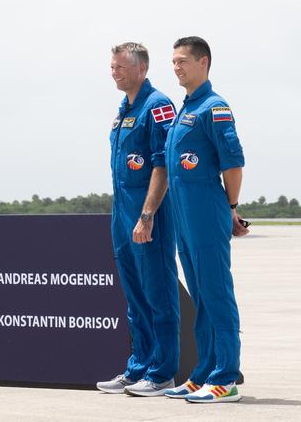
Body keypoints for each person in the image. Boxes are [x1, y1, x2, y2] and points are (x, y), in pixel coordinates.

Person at [161, 36, 247, 404]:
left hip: (207, 212)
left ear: (203, 62)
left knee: (216, 293)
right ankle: (204, 372)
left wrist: (231, 207)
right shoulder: (184, 109)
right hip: (184, 215)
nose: (176, 67)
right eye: (174, 61)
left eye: (182, 61)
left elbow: (233, 163)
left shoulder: (215, 107)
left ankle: (226, 376)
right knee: (200, 295)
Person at [96, 43, 181, 397]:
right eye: (112, 66)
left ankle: (162, 373)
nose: (113, 71)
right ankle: (139, 367)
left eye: (120, 66)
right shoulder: (124, 109)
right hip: (122, 214)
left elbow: (161, 166)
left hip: (149, 216)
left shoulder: (158, 105)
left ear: (141, 69)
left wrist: (147, 216)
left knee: (158, 293)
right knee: (135, 297)